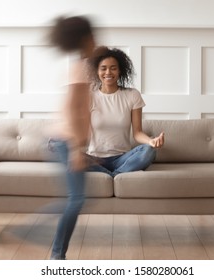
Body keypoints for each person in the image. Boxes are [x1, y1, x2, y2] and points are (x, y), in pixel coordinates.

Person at [47, 15, 95, 260]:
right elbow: (72, 109)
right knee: (76, 199)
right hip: (66, 141)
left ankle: (57, 254)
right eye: (94, 36)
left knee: (77, 198)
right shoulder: (81, 68)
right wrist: (77, 149)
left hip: (66, 140)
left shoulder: (81, 64)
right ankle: (57, 256)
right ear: (86, 39)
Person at [86, 46, 164, 177]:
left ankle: (113, 174)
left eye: (113, 68)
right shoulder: (90, 97)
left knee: (149, 150)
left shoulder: (132, 95)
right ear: (97, 71)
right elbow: (83, 134)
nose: (108, 72)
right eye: (103, 68)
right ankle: (117, 176)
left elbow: (138, 133)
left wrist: (151, 141)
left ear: (120, 70)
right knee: (67, 154)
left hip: (122, 159)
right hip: (95, 158)